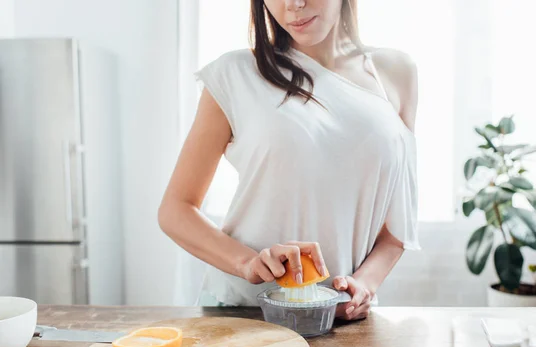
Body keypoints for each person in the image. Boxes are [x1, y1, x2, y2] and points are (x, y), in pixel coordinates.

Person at [158, 0, 420, 320]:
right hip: (245, 312)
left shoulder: (395, 72)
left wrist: (363, 285)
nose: (294, 4)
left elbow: (397, 224)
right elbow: (176, 210)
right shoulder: (234, 74)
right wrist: (248, 263)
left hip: (341, 317)